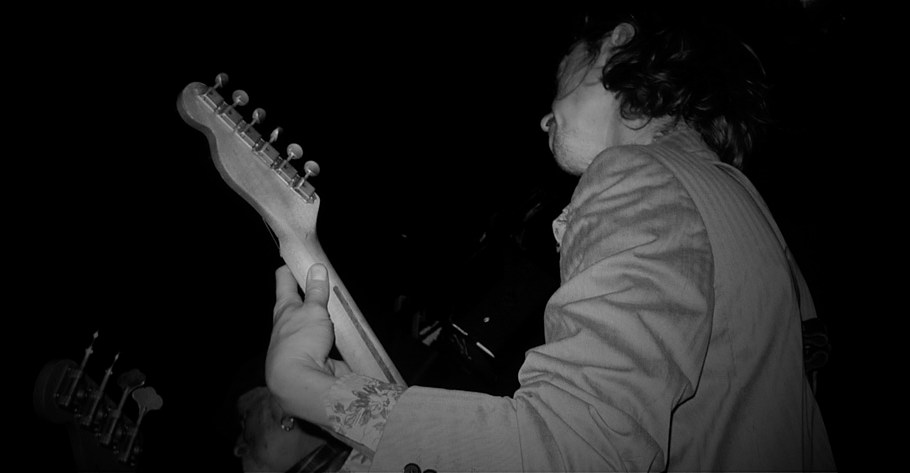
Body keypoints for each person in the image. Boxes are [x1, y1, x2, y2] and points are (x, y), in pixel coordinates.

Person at [264, 6, 836, 472]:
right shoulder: (743, 207)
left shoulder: (639, 174)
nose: (545, 118)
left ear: (614, 47)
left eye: (563, 72)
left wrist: (315, 392)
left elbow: (577, 452)